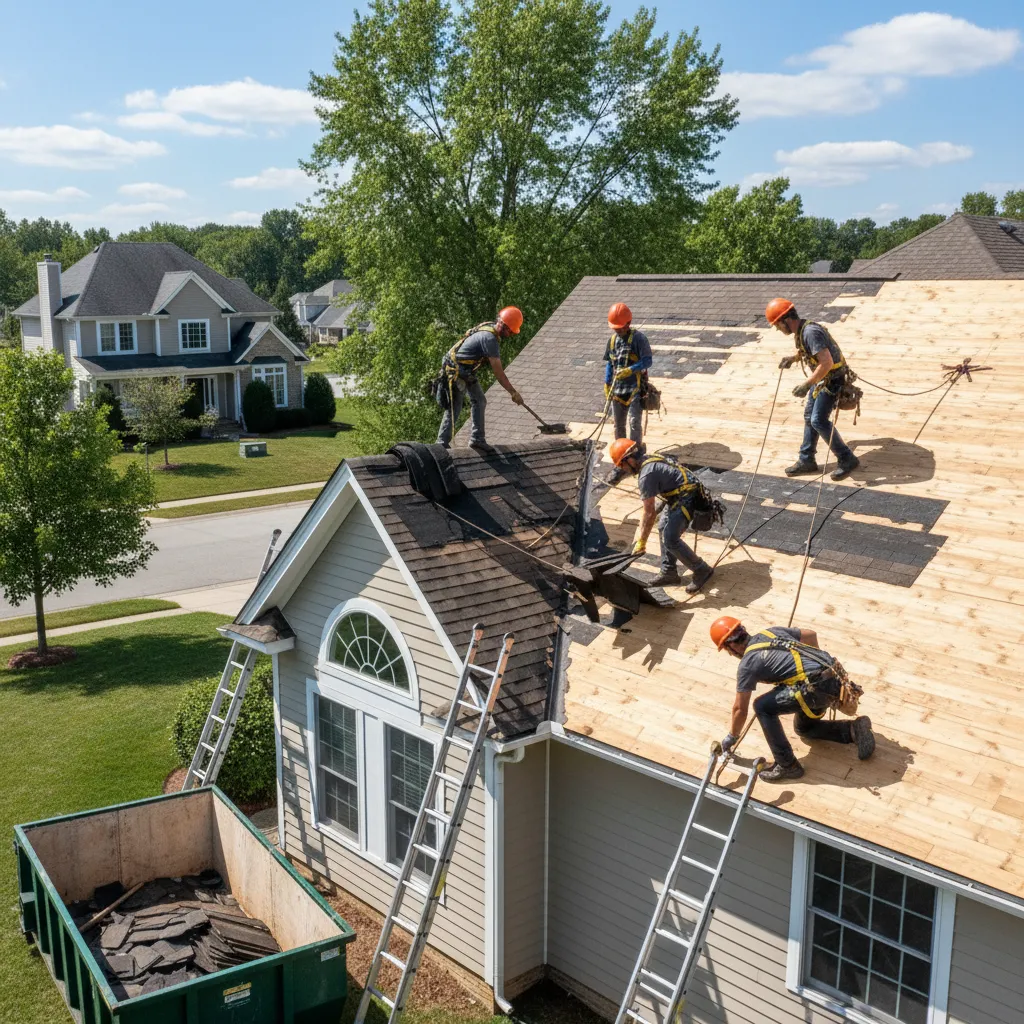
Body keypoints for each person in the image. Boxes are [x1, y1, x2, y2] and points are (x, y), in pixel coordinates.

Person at [710, 616, 875, 782]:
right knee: (804, 729)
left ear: (730, 647)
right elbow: (810, 635)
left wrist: (732, 737)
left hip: (814, 688)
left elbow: (739, 709)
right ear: (743, 630)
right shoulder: (771, 632)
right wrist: (816, 670)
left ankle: (788, 765)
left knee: (762, 706)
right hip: (833, 676)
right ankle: (853, 730)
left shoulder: (747, 664)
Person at [765, 298, 860, 481]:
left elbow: (827, 363)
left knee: (818, 420)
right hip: (822, 379)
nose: (778, 329)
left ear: (785, 320)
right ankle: (807, 459)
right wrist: (793, 358)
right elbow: (809, 352)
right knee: (810, 417)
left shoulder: (810, 332)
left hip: (832, 380)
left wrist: (807, 384)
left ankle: (847, 458)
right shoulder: (800, 331)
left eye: (778, 325)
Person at [609, 438, 715, 592]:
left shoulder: (646, 475)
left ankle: (702, 569)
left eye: (623, 465)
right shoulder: (649, 460)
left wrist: (641, 541)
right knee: (662, 527)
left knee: (671, 538)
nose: (624, 470)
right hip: (679, 493)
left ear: (630, 460)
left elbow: (649, 512)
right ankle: (669, 571)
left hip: (688, 496)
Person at [436, 307, 525, 449]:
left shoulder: (489, 326)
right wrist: (513, 392)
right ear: (504, 326)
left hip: (465, 370)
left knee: (480, 400)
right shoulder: (490, 339)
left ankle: (477, 439)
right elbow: (499, 373)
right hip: (456, 370)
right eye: (510, 332)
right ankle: (441, 444)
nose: (510, 335)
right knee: (456, 406)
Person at [604, 302, 653, 445]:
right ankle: (621, 453)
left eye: (619, 328)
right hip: (616, 390)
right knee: (618, 425)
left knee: (634, 423)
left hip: (634, 389)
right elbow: (609, 362)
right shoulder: (612, 341)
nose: (617, 331)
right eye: (615, 328)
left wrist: (630, 370)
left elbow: (647, 360)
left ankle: (635, 452)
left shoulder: (639, 339)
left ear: (628, 323)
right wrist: (607, 383)